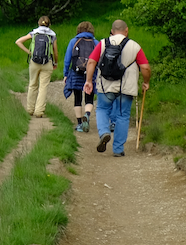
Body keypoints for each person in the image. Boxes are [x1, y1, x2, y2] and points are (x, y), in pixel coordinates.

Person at [83, 19, 152, 157]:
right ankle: (118, 149)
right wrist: (146, 82)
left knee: (102, 109)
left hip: (105, 85)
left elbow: (91, 62)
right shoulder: (134, 46)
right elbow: (145, 67)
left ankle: (104, 132)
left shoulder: (102, 43)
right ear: (126, 31)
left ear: (112, 31)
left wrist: (89, 81)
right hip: (126, 88)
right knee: (122, 116)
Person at [15, 16, 58, 118]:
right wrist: (55, 63)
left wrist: (30, 53)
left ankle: (30, 109)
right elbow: (55, 51)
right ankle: (39, 111)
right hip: (47, 63)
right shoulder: (52, 35)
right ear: (49, 24)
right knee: (43, 87)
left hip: (34, 62)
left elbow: (18, 42)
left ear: (39, 23)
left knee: (32, 85)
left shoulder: (34, 33)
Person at [61, 21, 99, 133]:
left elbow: (67, 59)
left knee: (77, 98)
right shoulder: (95, 43)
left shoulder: (74, 41)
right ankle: (87, 115)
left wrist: (65, 74)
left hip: (76, 73)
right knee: (89, 97)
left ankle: (79, 124)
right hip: (90, 74)